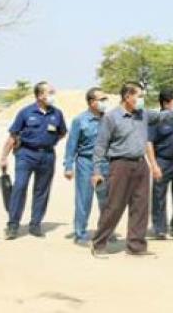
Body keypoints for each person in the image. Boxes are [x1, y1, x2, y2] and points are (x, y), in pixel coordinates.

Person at [90, 82, 173, 257]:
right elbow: (100, 146)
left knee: (140, 206)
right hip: (120, 165)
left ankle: (136, 246)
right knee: (114, 206)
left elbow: (165, 116)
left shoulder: (143, 114)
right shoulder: (111, 117)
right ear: (127, 96)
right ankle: (99, 244)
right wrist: (97, 171)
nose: (142, 100)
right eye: (139, 96)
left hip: (140, 165)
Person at [0, 81, 67, 239]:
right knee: (20, 187)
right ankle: (13, 225)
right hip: (26, 154)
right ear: (40, 95)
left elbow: (62, 132)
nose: (53, 96)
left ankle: (35, 224)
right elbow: (13, 135)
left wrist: (50, 142)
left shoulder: (57, 113)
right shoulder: (25, 112)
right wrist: (4, 156)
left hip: (47, 155)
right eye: (50, 92)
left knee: (42, 190)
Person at [63, 87, 111, 245]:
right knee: (84, 200)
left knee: (106, 201)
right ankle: (80, 234)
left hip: (105, 163)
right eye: (101, 99)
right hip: (86, 163)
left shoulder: (109, 119)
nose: (105, 102)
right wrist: (68, 166)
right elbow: (71, 145)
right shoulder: (80, 120)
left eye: (105, 99)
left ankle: (105, 232)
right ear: (91, 102)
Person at [147, 88, 173, 239]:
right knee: (159, 196)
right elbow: (149, 143)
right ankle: (159, 228)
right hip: (162, 161)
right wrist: (154, 165)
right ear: (165, 103)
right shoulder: (155, 120)